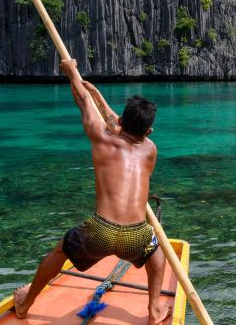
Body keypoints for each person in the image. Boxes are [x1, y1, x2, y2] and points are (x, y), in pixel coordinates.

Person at [13, 59, 171, 324]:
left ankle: (25, 303)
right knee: (156, 253)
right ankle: (155, 309)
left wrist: (70, 71)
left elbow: (84, 103)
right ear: (149, 130)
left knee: (59, 252)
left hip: (101, 231)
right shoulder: (150, 149)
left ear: (121, 120)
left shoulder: (101, 138)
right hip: (136, 234)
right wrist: (96, 92)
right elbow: (112, 119)